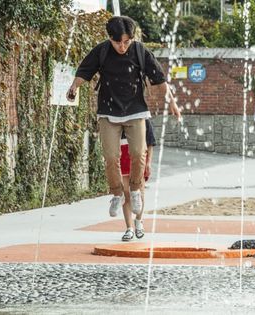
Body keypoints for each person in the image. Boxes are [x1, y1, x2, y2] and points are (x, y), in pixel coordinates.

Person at [66, 16, 180, 217]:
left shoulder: (139, 51)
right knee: (111, 157)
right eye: (118, 42)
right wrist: (74, 86)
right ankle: (117, 193)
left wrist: (172, 102)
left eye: (126, 41)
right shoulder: (101, 51)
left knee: (138, 152)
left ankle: (135, 190)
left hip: (136, 111)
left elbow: (159, 78)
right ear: (110, 38)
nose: (122, 46)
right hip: (108, 113)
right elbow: (84, 72)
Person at [121, 119, 156, 241]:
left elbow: (150, 142)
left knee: (139, 193)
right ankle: (129, 228)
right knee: (125, 193)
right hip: (122, 156)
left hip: (139, 158)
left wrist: (149, 162)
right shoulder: (118, 118)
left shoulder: (144, 119)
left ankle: (138, 221)